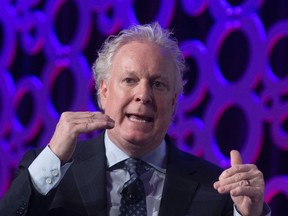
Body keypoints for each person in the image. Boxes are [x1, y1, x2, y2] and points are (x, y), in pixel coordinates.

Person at [0, 22, 270, 216]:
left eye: (158, 84)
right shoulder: (50, 171)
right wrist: (53, 157)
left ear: (174, 102)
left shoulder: (218, 189)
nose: (143, 95)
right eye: (130, 80)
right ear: (103, 91)